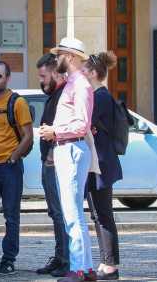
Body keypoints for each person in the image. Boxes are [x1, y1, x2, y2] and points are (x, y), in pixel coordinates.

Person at [40, 37, 98, 282]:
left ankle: (79, 269)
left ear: (70, 57)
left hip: (71, 149)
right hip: (66, 148)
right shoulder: (73, 83)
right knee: (71, 213)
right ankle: (86, 268)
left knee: (72, 214)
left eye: (60, 54)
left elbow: (83, 125)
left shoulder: (80, 85)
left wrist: (56, 132)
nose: (56, 59)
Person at [0, 61, 33, 276]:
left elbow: (29, 135)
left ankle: (9, 259)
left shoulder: (17, 102)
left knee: (11, 216)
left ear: (8, 79)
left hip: (9, 167)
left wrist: (13, 158)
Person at [82, 51, 123, 281]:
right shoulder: (98, 95)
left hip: (102, 163)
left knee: (103, 215)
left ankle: (110, 266)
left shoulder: (100, 96)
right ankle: (106, 263)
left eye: (84, 70)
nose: (81, 74)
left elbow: (84, 122)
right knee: (98, 215)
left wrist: (88, 126)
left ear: (94, 73)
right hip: (99, 161)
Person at [35, 53, 70, 278]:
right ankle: (60, 257)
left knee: (61, 214)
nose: (41, 80)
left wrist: (51, 156)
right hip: (48, 162)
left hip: (55, 162)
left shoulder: (64, 95)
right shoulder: (55, 95)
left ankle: (67, 260)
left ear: (56, 73)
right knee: (54, 213)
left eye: (44, 76)